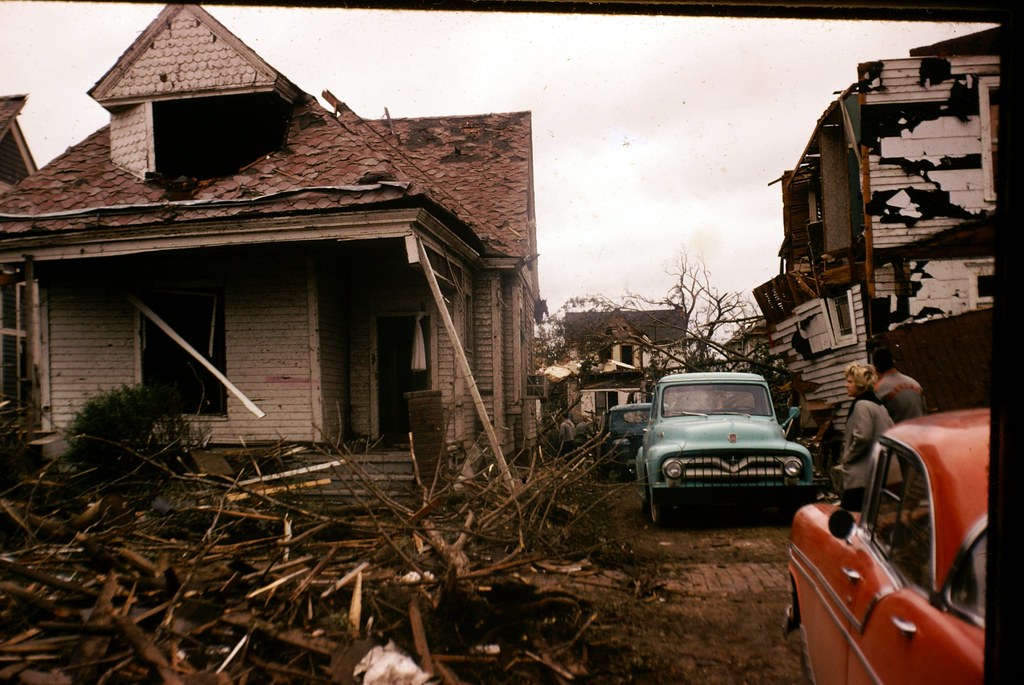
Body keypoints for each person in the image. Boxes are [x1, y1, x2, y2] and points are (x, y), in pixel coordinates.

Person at [833, 363, 893, 511]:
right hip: (877, 474)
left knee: (851, 522)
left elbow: (862, 437)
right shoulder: (880, 406)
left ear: (860, 384)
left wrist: (847, 457)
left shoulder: (862, 405)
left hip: (860, 477)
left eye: (850, 381)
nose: (846, 385)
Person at [872, 347, 927, 423]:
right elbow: (924, 411)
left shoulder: (879, 389)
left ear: (875, 368)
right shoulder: (915, 384)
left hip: (897, 433)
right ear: (893, 362)